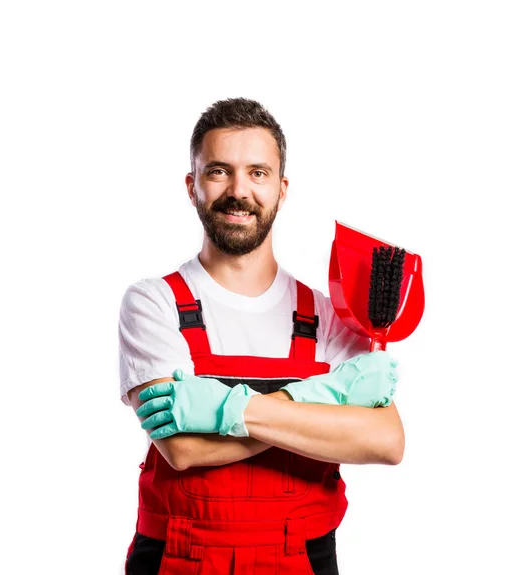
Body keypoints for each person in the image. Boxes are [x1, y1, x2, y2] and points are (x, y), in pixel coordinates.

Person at [118, 97, 405, 575]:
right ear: (192, 186)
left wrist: (225, 408)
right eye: (218, 171)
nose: (238, 191)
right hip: (180, 560)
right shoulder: (153, 302)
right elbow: (184, 449)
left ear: (281, 188)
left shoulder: (330, 313)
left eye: (257, 172)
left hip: (304, 560)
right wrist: (321, 405)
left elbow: (385, 441)